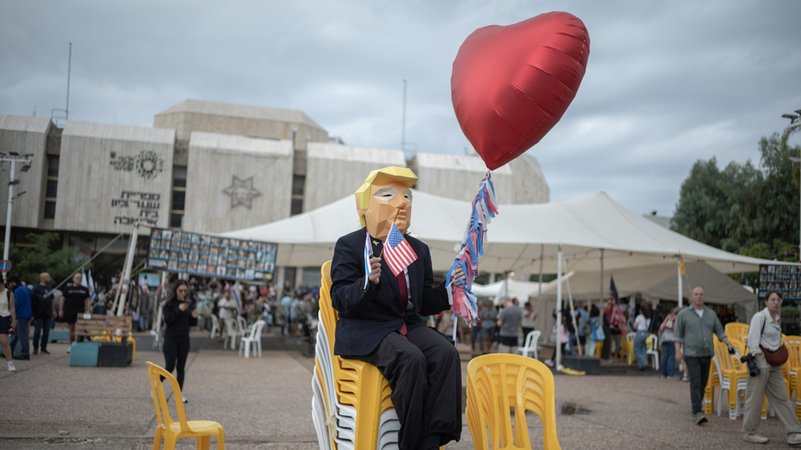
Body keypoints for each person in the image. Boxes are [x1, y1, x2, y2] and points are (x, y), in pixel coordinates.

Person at [330, 166, 463, 450]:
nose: (402, 202)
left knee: (446, 353)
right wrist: (368, 283)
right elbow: (339, 298)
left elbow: (424, 301)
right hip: (367, 328)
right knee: (411, 359)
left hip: (406, 324)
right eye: (388, 194)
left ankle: (433, 437)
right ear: (364, 205)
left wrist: (449, 291)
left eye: (407, 196)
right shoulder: (350, 246)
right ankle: (412, 442)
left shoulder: (418, 249)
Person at [741, 291, 801, 445]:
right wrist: (757, 359)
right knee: (755, 398)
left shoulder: (777, 318)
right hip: (761, 358)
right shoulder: (760, 317)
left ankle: (795, 432)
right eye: (772, 299)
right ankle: (749, 432)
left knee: (782, 397)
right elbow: (752, 340)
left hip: (774, 361)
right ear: (766, 302)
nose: (776, 302)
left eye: (778, 300)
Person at [674, 286, 734, 425]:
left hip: (707, 354)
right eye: (696, 294)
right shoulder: (683, 314)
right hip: (691, 353)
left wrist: (728, 343)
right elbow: (677, 335)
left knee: (703, 383)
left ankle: (696, 407)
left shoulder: (711, 314)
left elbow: (719, 332)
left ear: (704, 297)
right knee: (695, 381)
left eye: (701, 294)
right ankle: (697, 411)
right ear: (691, 297)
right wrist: (678, 351)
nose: (699, 297)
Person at [162, 280, 198, 404]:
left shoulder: (189, 304)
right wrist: (179, 310)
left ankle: (179, 394)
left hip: (184, 338)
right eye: (180, 290)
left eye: (185, 291)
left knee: (181, 367)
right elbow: (168, 320)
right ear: (175, 291)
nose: (183, 293)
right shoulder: (170, 304)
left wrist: (194, 317)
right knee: (170, 366)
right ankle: (157, 383)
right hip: (171, 338)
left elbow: (191, 323)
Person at [61, 273, 91, 346]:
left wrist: (88, 309)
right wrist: (61, 310)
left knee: (79, 328)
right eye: (77, 278)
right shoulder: (68, 289)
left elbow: (87, 300)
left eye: (80, 278)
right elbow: (62, 299)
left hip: (80, 312)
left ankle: (77, 344)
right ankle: (71, 344)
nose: (79, 279)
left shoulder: (85, 289)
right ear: (73, 279)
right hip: (70, 311)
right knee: (71, 329)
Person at [31, 272, 56, 355]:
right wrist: (33, 313)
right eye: (48, 277)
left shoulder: (49, 288)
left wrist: (53, 311)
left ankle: (43, 347)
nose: (49, 278)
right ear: (42, 278)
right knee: (37, 331)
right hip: (38, 313)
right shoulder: (36, 288)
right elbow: (33, 301)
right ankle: (35, 348)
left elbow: (52, 300)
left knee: (46, 331)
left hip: (48, 313)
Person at [8, 276, 32, 360]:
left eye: (10, 283)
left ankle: (25, 354)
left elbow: (15, 304)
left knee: (22, 336)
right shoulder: (25, 289)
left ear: (13, 282)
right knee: (16, 334)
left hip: (21, 315)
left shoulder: (18, 291)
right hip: (26, 314)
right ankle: (8, 350)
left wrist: (11, 315)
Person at [0, 279, 17, 372]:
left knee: (4, 341)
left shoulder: (8, 293)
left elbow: (12, 308)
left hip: (3, 318)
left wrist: (13, 321)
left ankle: (10, 363)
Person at [658, 307, 678, 378]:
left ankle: (663, 373)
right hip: (672, 339)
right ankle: (670, 373)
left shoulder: (667, 318)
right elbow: (675, 329)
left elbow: (661, 328)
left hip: (664, 339)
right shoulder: (675, 318)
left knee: (664, 356)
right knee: (671, 357)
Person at [632, 303, 651, 370]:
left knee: (636, 350)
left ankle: (644, 362)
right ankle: (641, 366)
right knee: (643, 349)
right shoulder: (648, 317)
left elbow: (635, 326)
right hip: (646, 333)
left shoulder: (639, 317)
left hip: (640, 333)